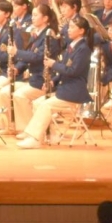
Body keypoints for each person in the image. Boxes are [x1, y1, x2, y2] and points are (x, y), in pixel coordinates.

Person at [18, 14, 92, 149]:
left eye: (72, 27)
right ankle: (51, 134)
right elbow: (64, 68)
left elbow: (73, 71)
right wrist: (53, 80)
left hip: (74, 91)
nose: (68, 30)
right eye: (69, 27)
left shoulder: (83, 49)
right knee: (37, 102)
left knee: (45, 105)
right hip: (65, 88)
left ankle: (35, 139)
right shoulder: (72, 46)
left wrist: (53, 64)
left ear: (81, 31)